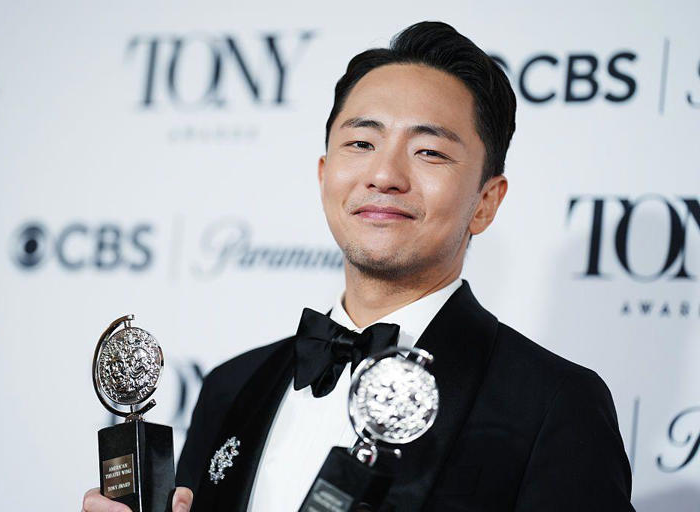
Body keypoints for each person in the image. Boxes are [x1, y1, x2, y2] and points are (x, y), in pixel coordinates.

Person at [83, 21, 634, 512]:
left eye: (429, 152)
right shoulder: (233, 385)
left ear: (486, 201)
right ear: (324, 173)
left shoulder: (553, 405)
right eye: (362, 142)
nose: (385, 175)